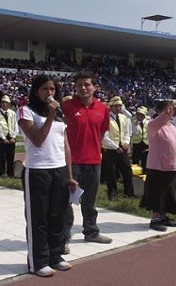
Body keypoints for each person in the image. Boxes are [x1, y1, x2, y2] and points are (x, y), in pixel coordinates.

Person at [18, 74, 78, 277]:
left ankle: (56, 255)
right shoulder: (26, 111)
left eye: (52, 89)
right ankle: (38, 261)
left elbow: (65, 145)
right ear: (36, 91)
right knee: (38, 217)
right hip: (37, 171)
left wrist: (69, 175)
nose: (50, 93)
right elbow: (37, 140)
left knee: (58, 215)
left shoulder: (59, 114)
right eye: (45, 89)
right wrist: (51, 116)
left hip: (59, 169)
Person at [62, 72, 112, 250]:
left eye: (87, 84)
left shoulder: (102, 109)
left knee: (90, 200)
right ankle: (63, 237)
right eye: (79, 85)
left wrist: (95, 149)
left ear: (95, 87)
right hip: (72, 162)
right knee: (67, 201)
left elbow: (102, 131)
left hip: (93, 162)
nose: (83, 88)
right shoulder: (67, 106)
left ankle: (91, 232)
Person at [140, 99, 176, 231]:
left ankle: (164, 216)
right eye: (165, 109)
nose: (169, 112)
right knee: (158, 192)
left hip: (172, 166)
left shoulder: (172, 126)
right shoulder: (153, 125)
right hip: (158, 165)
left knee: (169, 191)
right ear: (158, 111)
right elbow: (161, 119)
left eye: (170, 109)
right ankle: (155, 218)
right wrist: (166, 113)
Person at [101, 96, 135, 199]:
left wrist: (126, 142)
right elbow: (104, 137)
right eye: (116, 106)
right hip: (110, 149)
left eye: (120, 106)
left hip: (122, 147)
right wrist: (116, 147)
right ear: (111, 107)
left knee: (127, 170)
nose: (118, 108)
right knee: (111, 172)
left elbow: (127, 132)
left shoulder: (124, 118)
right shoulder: (106, 118)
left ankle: (129, 193)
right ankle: (112, 194)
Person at [0, 95, 19, 178]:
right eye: (3, 103)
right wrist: (3, 138)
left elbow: (15, 125)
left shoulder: (13, 113)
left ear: (9, 104)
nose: (4, 105)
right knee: (2, 156)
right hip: (2, 137)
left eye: (6, 103)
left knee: (11, 155)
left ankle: (10, 172)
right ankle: (2, 172)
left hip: (11, 137)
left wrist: (14, 136)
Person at [131, 106, 149, 171]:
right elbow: (135, 133)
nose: (138, 116)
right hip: (136, 143)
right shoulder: (134, 123)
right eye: (137, 114)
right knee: (135, 159)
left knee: (145, 159)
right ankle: (135, 173)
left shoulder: (148, 122)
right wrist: (136, 125)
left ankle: (144, 172)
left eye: (140, 115)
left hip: (146, 143)